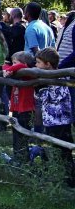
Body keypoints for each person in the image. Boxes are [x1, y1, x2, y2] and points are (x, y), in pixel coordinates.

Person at [34, 47, 75, 186]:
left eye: (38, 63)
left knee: (63, 150)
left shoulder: (57, 78)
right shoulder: (52, 77)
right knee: (59, 149)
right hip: (54, 120)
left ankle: (69, 179)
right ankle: (64, 176)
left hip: (59, 120)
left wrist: (40, 90)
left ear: (48, 64)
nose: (36, 65)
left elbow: (48, 97)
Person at [2, 51, 36, 162]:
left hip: (26, 110)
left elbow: (21, 66)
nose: (13, 65)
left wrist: (9, 70)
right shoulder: (17, 72)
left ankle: (23, 159)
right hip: (17, 109)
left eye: (14, 62)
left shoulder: (27, 73)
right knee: (16, 134)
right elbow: (5, 65)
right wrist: (8, 67)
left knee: (22, 136)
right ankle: (18, 158)